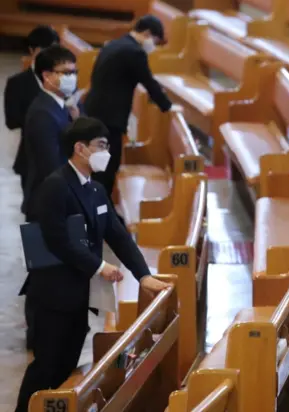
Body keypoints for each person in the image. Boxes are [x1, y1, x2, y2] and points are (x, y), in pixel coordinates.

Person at [14, 117, 170, 412]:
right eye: (101, 146)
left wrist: (143, 275)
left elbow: (117, 234)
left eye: (108, 146)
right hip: (52, 295)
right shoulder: (56, 186)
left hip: (78, 294)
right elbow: (58, 240)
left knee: (68, 363)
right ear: (80, 149)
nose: (106, 153)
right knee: (46, 366)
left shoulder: (96, 189)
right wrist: (100, 267)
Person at [18, 44, 81, 351]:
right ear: (46, 75)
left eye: (74, 72)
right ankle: (38, 337)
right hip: (46, 205)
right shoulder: (43, 112)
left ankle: (43, 334)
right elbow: (49, 166)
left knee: (47, 272)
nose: (72, 77)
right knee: (43, 273)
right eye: (65, 72)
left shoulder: (57, 106)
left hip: (50, 203)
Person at [84, 14, 172, 200]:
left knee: (98, 166)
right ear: (147, 33)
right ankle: (100, 214)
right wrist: (168, 107)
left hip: (94, 111)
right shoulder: (134, 52)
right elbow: (149, 83)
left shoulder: (115, 44)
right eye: (155, 40)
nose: (153, 46)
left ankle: (98, 211)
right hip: (109, 118)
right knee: (106, 169)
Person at [3, 25, 60, 195]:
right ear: (32, 50)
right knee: (33, 213)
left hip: (59, 157)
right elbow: (11, 122)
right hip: (30, 159)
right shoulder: (17, 83)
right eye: (45, 49)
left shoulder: (62, 77)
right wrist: (40, 116)